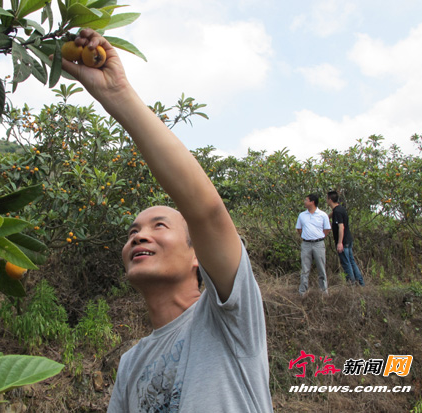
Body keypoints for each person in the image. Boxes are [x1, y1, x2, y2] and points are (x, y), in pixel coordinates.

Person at [58, 30, 273, 412]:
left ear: (198, 258)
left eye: (160, 225)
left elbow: (204, 210)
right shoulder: (130, 365)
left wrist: (117, 94)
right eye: (133, 232)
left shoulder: (230, 319)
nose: (139, 236)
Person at [326, 191, 365, 286]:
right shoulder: (339, 209)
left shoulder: (338, 212)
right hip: (348, 240)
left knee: (346, 263)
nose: (326, 201)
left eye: (327, 199)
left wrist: (340, 243)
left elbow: (341, 227)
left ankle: (351, 284)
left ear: (330, 200)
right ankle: (360, 283)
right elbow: (332, 214)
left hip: (343, 241)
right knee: (351, 262)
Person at [295, 194, 331, 296]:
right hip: (306, 244)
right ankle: (302, 292)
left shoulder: (322, 215)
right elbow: (299, 228)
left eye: (306, 200)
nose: (304, 202)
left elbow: (327, 229)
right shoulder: (302, 215)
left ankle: (324, 292)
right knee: (305, 269)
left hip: (318, 244)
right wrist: (304, 236)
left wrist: (320, 237)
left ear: (312, 202)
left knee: (321, 269)